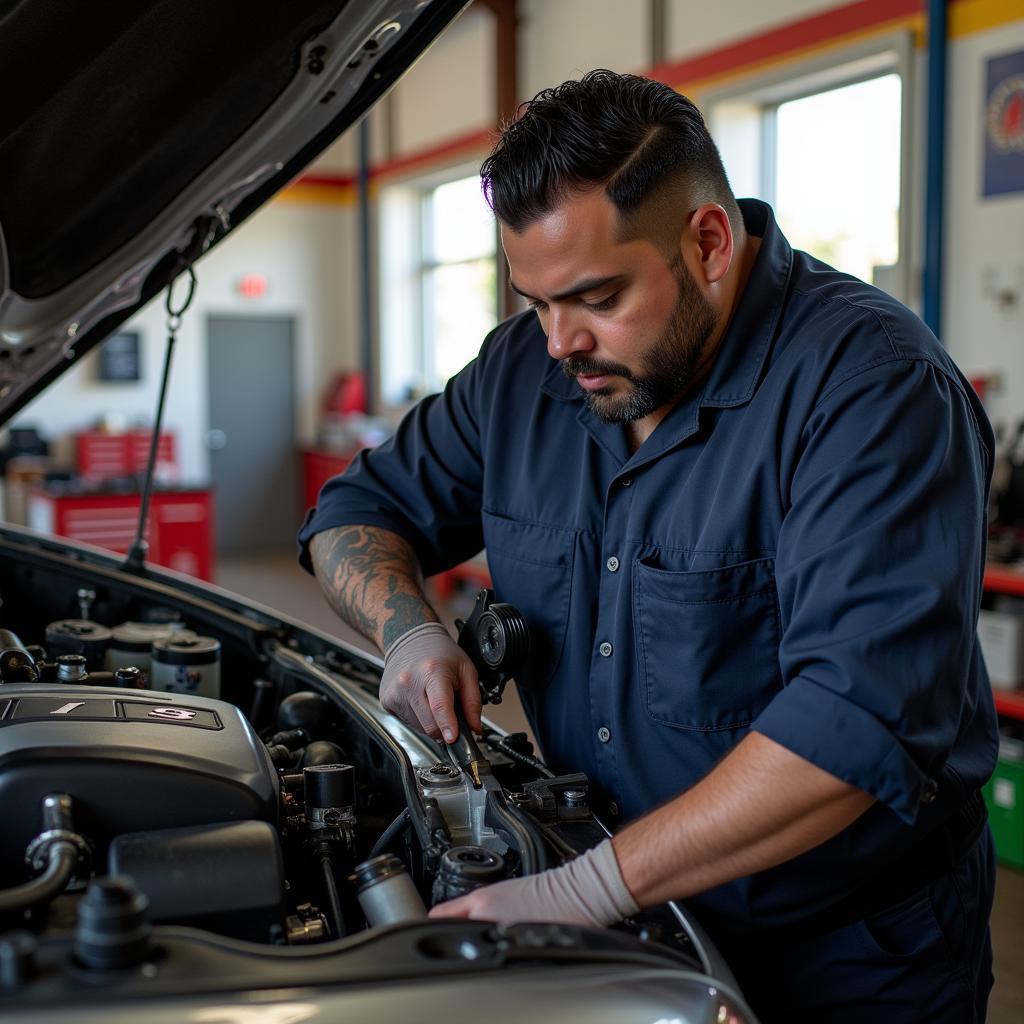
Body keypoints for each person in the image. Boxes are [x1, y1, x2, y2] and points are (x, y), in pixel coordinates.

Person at [299, 71, 998, 1021]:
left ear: (707, 242)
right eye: (535, 301)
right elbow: (355, 509)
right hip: (628, 913)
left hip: (844, 952)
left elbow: (855, 725)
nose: (557, 343)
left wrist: (580, 891)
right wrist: (408, 629)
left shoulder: (874, 389)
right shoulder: (524, 372)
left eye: (594, 295)